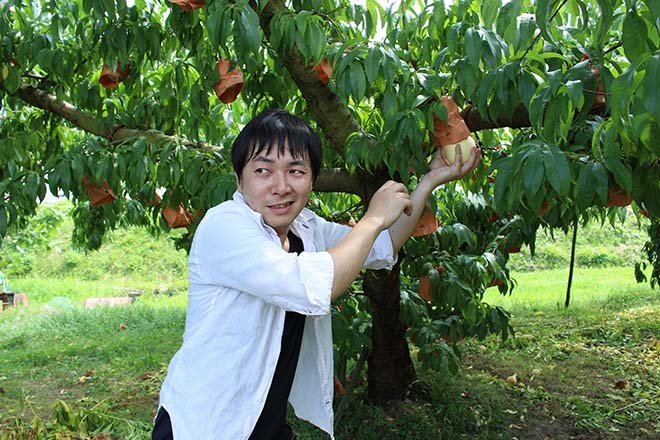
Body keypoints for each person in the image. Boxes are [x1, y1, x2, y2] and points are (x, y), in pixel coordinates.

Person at [152, 109, 480, 440]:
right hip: (205, 426)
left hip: (266, 424)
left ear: (312, 179)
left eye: (295, 170)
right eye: (263, 170)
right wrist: (371, 219)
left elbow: (382, 245)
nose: (280, 186)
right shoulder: (224, 226)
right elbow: (312, 285)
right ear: (240, 179)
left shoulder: (306, 228)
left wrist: (429, 181)